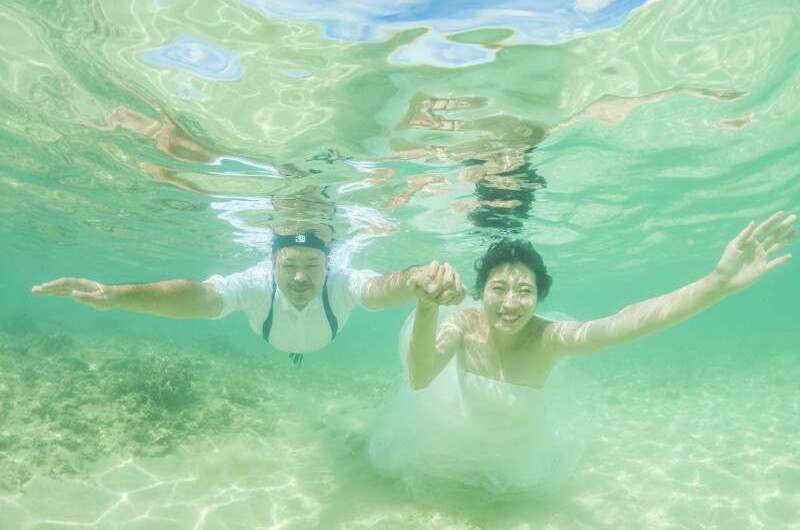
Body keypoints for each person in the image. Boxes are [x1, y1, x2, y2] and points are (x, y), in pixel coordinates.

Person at [369, 211, 796, 497]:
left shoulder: (549, 338)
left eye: (525, 291)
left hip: (515, 454)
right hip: (449, 434)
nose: (510, 304)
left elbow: (622, 324)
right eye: (498, 290)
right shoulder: (462, 323)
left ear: (540, 297)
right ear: (480, 294)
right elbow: (421, 375)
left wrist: (715, 284)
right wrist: (427, 307)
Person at [31, 228, 467, 365]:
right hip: (275, 337)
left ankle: (299, 354)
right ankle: (296, 354)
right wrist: (117, 295)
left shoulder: (341, 281)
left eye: (312, 266)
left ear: (328, 265)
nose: (299, 276)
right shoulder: (257, 283)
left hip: (317, 338)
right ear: (272, 263)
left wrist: (414, 278)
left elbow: (377, 289)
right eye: (288, 265)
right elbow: (201, 297)